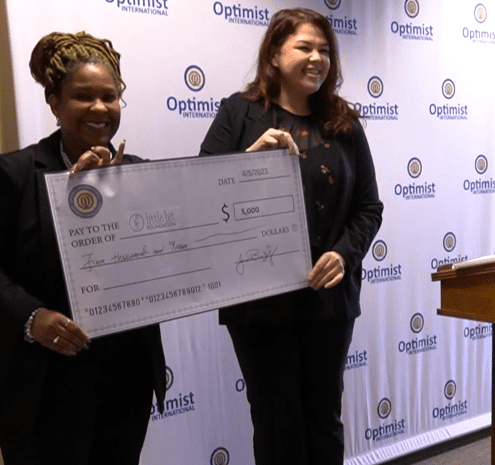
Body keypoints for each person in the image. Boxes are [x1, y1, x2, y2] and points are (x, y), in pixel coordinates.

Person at [0, 31, 166, 465]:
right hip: (38, 385)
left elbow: (174, 251)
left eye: (110, 96)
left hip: (123, 383)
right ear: (54, 102)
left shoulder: (138, 174)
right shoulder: (15, 172)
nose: (100, 108)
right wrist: (32, 317)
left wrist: (251, 170)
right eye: (83, 96)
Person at [199, 8, 383, 465]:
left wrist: (344, 254)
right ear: (275, 56)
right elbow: (201, 194)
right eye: (304, 47)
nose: (317, 57)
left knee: (323, 419)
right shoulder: (238, 113)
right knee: (276, 422)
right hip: (258, 303)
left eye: (324, 50)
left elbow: (368, 207)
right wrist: (247, 160)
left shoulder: (344, 123)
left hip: (328, 300)